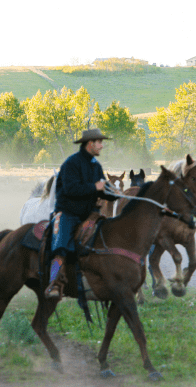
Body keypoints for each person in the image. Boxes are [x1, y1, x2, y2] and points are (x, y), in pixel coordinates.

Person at [45, 128, 117, 299]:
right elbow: (70, 189)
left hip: (90, 215)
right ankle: (53, 283)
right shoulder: (71, 163)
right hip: (68, 213)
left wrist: (111, 192)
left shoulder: (95, 166)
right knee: (61, 246)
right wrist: (95, 187)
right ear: (90, 144)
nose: (101, 146)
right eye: (99, 142)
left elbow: (101, 191)